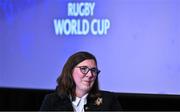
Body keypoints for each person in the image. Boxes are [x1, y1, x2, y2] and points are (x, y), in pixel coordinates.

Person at [40, 51, 122, 111]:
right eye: (83, 69)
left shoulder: (109, 100)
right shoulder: (51, 101)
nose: (90, 75)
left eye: (93, 70)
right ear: (70, 71)